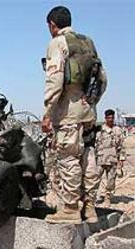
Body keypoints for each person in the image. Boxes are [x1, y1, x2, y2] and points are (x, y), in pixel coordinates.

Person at [41, 6, 107, 224]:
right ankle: (89, 208)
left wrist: (48, 113)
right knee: (88, 157)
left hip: (68, 112)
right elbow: (102, 79)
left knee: (68, 158)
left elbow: (55, 81)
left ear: (52, 24)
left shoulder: (57, 43)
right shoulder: (88, 42)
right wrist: (91, 101)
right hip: (88, 112)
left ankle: (69, 208)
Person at [96, 109, 126, 206]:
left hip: (113, 158)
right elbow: (94, 144)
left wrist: (121, 160)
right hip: (100, 158)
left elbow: (121, 146)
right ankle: (92, 198)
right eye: (108, 118)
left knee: (111, 180)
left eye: (112, 118)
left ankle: (107, 197)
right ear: (105, 118)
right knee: (95, 179)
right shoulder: (100, 129)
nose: (110, 120)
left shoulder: (118, 130)